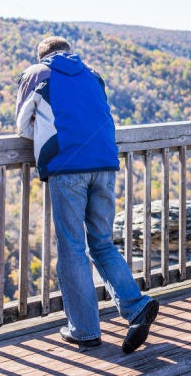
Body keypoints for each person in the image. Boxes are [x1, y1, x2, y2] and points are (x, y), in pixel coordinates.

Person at [15, 36, 159, 353]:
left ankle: (85, 330)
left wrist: (44, 128)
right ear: (68, 52)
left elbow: (22, 126)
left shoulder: (36, 73)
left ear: (42, 56)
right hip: (106, 162)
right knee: (102, 242)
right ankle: (136, 306)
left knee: (72, 247)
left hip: (66, 166)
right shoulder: (93, 74)